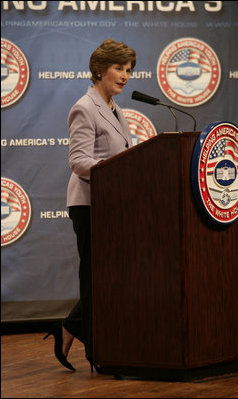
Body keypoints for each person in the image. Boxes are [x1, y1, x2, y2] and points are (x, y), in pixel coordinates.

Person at [43, 39, 136, 372]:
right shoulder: (85, 106)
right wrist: (115, 171)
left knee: (109, 277)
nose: (125, 76)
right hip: (89, 204)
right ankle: (99, 353)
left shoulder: (114, 108)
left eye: (128, 70)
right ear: (99, 69)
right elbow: (79, 161)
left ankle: (70, 327)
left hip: (112, 204)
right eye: (118, 68)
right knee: (97, 278)